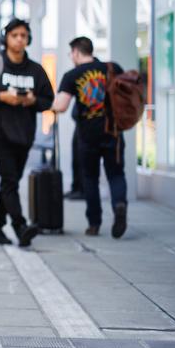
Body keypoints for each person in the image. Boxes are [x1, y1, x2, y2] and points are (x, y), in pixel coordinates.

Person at [0, 19, 53, 247]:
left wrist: (33, 100)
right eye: (15, 34)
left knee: (10, 182)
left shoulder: (35, 70)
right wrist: (1, 96)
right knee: (10, 180)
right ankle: (20, 225)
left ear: (28, 39)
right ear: (6, 38)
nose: (19, 39)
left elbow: (49, 100)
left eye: (23, 35)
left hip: (24, 134)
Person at [51, 36, 128, 238]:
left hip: (87, 134)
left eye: (71, 54)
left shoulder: (72, 75)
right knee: (116, 174)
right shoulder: (112, 68)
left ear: (76, 52)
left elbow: (61, 106)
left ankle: (94, 224)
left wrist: (46, 104)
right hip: (113, 130)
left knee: (90, 178)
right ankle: (119, 204)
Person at [64, 105, 85, 200]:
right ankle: (76, 187)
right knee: (76, 159)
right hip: (80, 122)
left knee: (81, 159)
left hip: (87, 123)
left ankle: (82, 189)